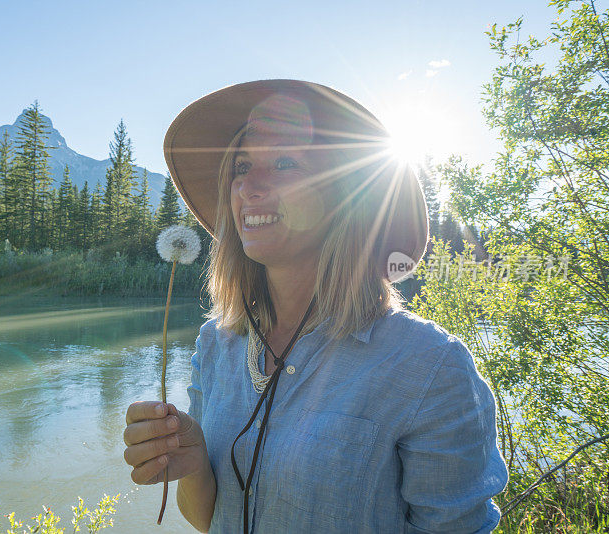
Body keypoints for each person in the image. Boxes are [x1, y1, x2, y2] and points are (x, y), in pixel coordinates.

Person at [123, 79, 508, 533]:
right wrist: (190, 460)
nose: (249, 187)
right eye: (242, 165)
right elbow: (208, 518)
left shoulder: (429, 365)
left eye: (285, 163)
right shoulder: (216, 344)